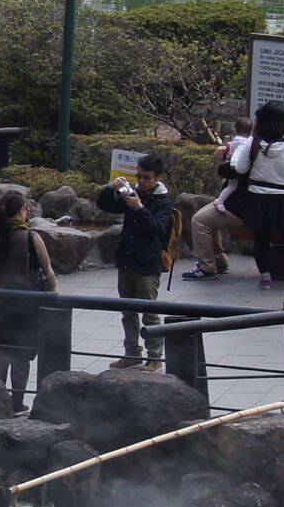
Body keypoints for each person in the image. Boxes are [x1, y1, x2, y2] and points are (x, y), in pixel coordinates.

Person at [96, 153, 174, 370]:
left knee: (150, 313)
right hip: (127, 260)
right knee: (127, 311)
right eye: (138, 176)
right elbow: (105, 205)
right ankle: (132, 354)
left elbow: (158, 229)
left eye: (146, 177)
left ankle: (155, 358)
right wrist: (110, 188)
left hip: (148, 263)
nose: (141, 181)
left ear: (157, 177)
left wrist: (140, 208)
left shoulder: (163, 201)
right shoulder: (133, 192)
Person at [0, 188, 58, 413]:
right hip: (24, 307)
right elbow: (48, 271)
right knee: (21, 356)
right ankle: (17, 403)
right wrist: (56, 295)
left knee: (0, 353)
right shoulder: (30, 237)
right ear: (23, 210)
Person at [231, 101, 284, 289]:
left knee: (262, 237)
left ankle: (265, 277)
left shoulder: (253, 142)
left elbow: (241, 168)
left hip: (258, 197)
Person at [188, 114, 256, 278]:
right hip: (252, 202)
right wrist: (227, 153)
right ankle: (218, 261)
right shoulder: (265, 145)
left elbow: (234, 170)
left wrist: (226, 162)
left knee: (199, 221)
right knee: (208, 219)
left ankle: (207, 266)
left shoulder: (253, 146)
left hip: (241, 204)